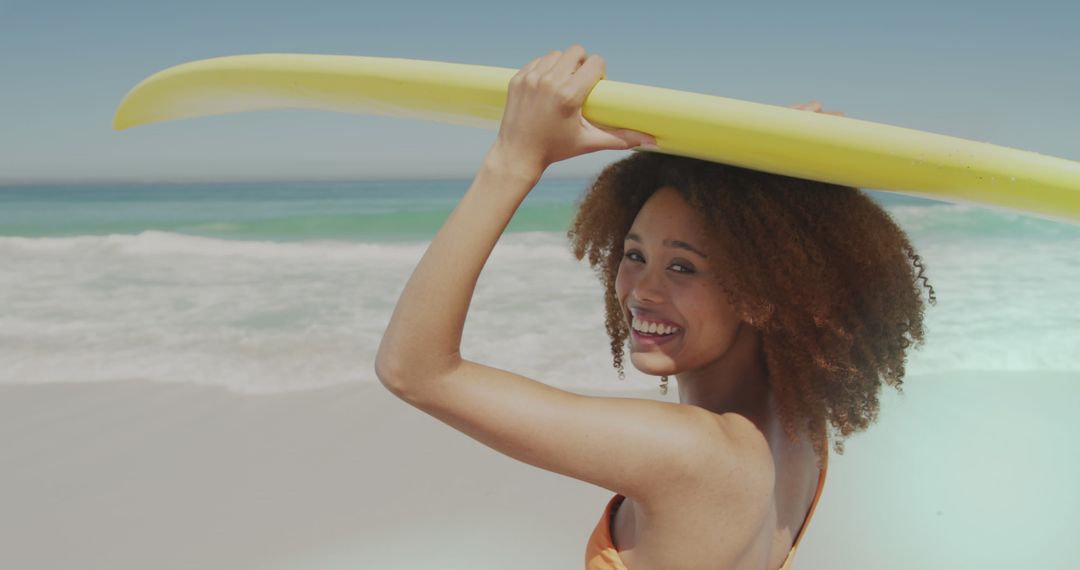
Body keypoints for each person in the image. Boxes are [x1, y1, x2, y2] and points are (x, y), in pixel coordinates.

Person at [375, 45, 933, 570]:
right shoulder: (799, 434)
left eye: (683, 266)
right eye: (633, 254)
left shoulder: (689, 454)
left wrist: (515, 159)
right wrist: (772, 165)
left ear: (763, 291)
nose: (641, 289)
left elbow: (415, 370)